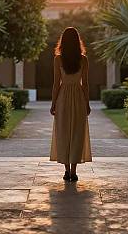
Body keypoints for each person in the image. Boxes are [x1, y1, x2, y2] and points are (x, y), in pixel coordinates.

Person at [49, 26, 92, 181]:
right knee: (77, 134)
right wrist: (87, 103)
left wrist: (53, 103)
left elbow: (56, 84)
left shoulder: (58, 59)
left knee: (63, 133)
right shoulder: (84, 60)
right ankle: (73, 171)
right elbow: (85, 84)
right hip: (78, 98)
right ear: (77, 41)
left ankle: (66, 170)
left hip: (63, 98)